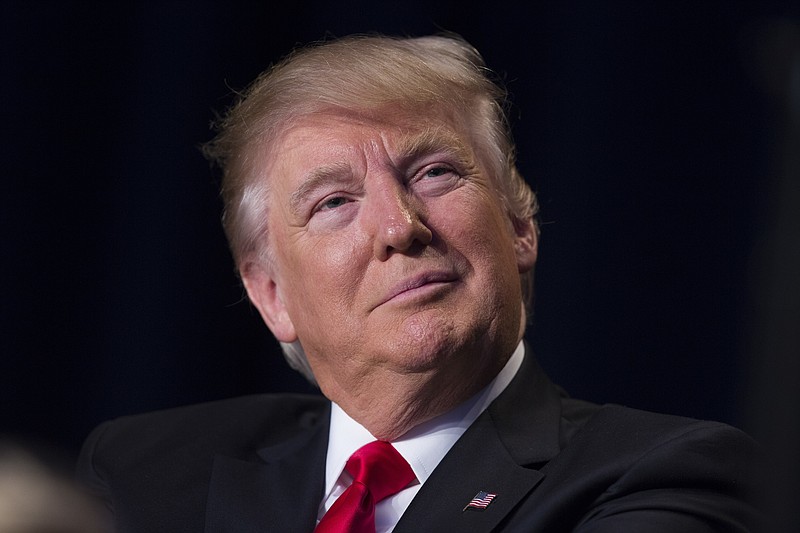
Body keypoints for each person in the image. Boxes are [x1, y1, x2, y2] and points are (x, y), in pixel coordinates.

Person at [77, 34, 758, 532]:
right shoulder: (144, 468)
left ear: (521, 226)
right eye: (334, 202)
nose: (399, 226)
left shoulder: (661, 475)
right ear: (272, 296)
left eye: (434, 172)